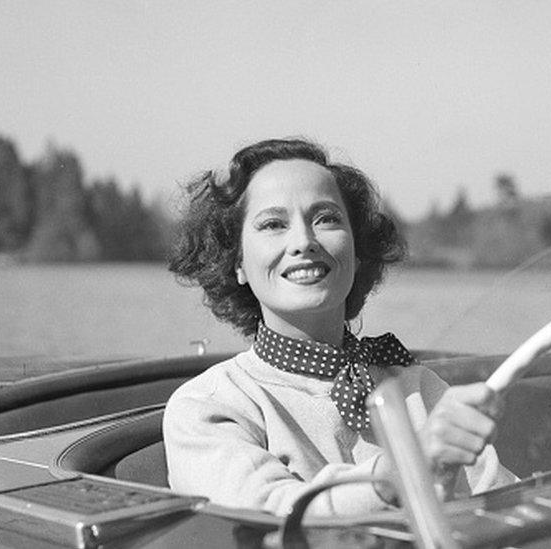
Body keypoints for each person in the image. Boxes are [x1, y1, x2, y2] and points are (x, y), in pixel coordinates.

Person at [164, 138, 516, 516]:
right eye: (273, 224)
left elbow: (509, 506)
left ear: (358, 251)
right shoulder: (208, 406)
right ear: (237, 263)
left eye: (325, 218)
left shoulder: (419, 387)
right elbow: (274, 518)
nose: (303, 241)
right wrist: (406, 467)